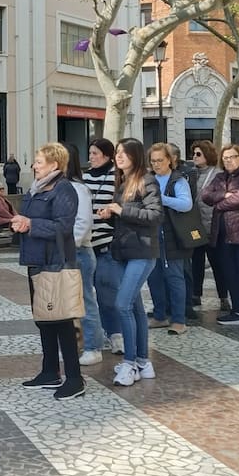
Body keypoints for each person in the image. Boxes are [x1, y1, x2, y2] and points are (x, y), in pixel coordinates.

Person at [12, 142, 86, 400]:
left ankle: (75, 378)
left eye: (39, 162)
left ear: (54, 164)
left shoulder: (63, 188)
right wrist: (20, 222)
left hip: (55, 262)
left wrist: (31, 224)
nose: (34, 166)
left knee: (62, 320)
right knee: (44, 319)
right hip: (37, 261)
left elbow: (63, 226)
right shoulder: (37, 188)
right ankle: (49, 371)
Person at [97, 139, 162, 388]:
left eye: (124, 153)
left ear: (136, 155)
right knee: (134, 308)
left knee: (122, 305)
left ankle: (130, 363)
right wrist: (110, 215)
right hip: (125, 251)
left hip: (142, 252)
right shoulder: (123, 182)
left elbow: (155, 215)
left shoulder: (146, 180)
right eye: (117, 152)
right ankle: (143, 362)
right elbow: (125, 219)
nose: (119, 156)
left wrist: (121, 211)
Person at [201, 144, 239, 331]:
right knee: (229, 273)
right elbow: (205, 195)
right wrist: (224, 194)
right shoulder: (220, 177)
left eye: (232, 157)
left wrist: (219, 205)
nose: (228, 160)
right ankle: (237, 310)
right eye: (225, 158)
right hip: (222, 233)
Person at [62, 143, 102, 365]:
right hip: (63, 252)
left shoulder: (78, 188)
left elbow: (84, 222)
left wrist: (70, 245)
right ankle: (73, 343)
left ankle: (93, 347)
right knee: (66, 302)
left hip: (78, 252)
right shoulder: (55, 186)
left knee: (85, 300)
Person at [146, 142, 191, 335]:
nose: (156, 164)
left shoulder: (178, 180)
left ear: (169, 161)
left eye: (160, 160)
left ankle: (179, 319)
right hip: (152, 234)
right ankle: (160, 315)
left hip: (172, 235)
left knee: (174, 277)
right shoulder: (149, 179)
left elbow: (186, 204)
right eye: (153, 161)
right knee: (154, 277)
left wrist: (161, 199)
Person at [83, 138, 121, 354]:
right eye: (90, 153)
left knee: (108, 294)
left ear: (107, 155)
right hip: (87, 243)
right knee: (87, 296)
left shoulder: (116, 176)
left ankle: (116, 334)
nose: (91, 157)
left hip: (107, 243)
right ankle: (95, 335)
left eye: (95, 153)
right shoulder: (85, 177)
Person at [188, 140, 224, 313]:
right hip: (195, 226)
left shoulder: (218, 174)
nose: (194, 157)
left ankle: (223, 296)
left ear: (207, 155)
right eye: (193, 154)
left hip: (212, 226)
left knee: (218, 263)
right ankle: (196, 294)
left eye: (198, 154)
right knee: (196, 261)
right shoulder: (191, 174)